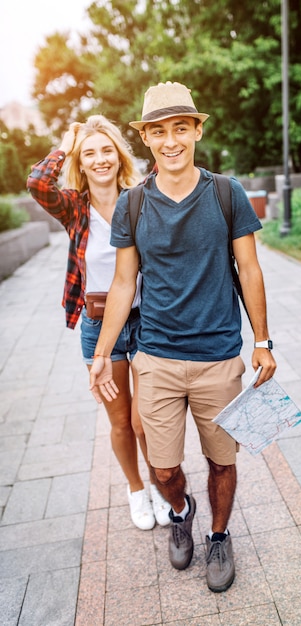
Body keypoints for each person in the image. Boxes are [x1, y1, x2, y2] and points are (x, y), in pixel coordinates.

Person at [89, 82, 276, 593]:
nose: (171, 141)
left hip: (218, 357)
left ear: (197, 130)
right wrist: (103, 353)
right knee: (164, 467)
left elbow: (250, 268)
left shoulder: (225, 192)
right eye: (159, 131)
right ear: (147, 138)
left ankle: (219, 534)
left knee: (222, 460)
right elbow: (124, 283)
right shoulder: (132, 205)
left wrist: (263, 341)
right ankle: (180, 509)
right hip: (156, 358)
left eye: (180, 128)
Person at [27, 115, 170, 531]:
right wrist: (70, 139)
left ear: (118, 155)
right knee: (121, 421)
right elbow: (38, 183)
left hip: (146, 322)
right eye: (90, 153)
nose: (100, 158)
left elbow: (168, 160)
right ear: (81, 161)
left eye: (106, 149)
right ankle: (136, 489)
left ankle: (163, 485)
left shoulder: (140, 198)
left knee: (146, 420)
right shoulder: (73, 206)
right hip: (97, 325)